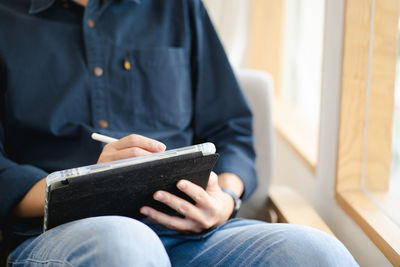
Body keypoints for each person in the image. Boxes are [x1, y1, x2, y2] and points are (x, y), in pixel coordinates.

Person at [0, 0, 358, 266]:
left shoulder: (179, 7)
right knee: (127, 245)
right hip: (64, 237)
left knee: (320, 254)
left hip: (196, 234)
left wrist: (225, 201)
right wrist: (84, 185)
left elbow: (231, 128)